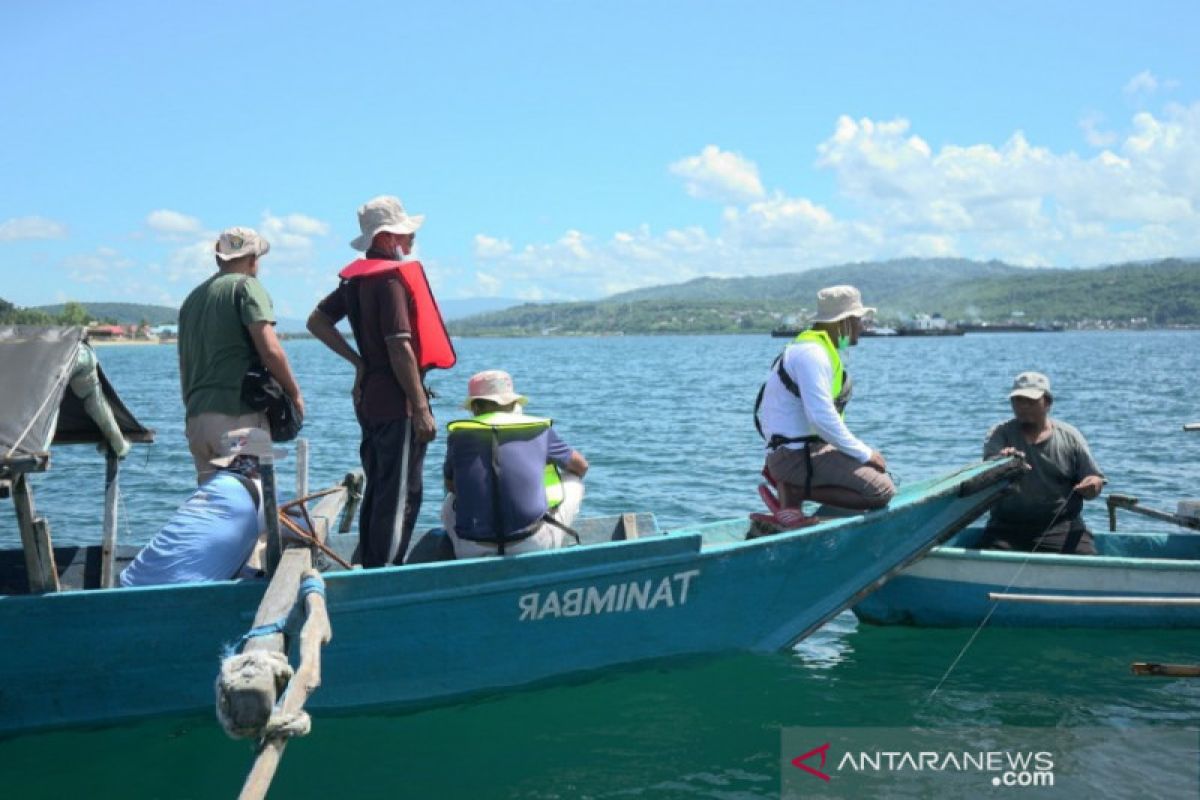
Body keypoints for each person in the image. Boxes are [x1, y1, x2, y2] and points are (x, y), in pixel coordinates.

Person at [306, 196, 455, 567]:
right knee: (403, 491)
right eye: (407, 233)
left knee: (381, 484)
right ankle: (384, 569)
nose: (412, 239)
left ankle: (373, 561)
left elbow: (317, 321)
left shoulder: (356, 281)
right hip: (397, 401)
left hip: (370, 396)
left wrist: (358, 363)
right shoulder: (389, 279)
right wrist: (420, 407)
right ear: (389, 238)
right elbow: (399, 345)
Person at [754, 285, 894, 529]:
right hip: (795, 456)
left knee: (873, 472)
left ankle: (791, 500)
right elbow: (821, 418)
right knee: (881, 490)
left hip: (798, 450)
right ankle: (793, 490)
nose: (862, 326)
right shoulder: (813, 354)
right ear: (844, 321)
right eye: (859, 319)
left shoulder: (815, 347)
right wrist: (865, 453)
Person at [178, 227, 304, 484]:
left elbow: (184, 365)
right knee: (253, 503)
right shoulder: (247, 287)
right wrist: (295, 394)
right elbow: (270, 350)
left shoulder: (192, 300)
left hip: (197, 419)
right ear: (253, 259)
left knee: (214, 513)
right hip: (238, 417)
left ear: (218, 258)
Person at [441, 370, 588, 558]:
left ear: (475, 407)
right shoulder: (539, 430)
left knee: (449, 501)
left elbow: (451, 485)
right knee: (574, 480)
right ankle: (556, 541)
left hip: (472, 547)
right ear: (513, 404)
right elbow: (581, 466)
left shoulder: (458, 436)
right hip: (532, 544)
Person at [978, 372, 1105, 554]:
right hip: (1006, 528)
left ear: (1047, 403)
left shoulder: (1070, 436)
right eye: (1018, 401)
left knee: (1087, 563)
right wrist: (1002, 463)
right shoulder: (1000, 434)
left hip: (1060, 527)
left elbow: (1094, 479)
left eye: (1030, 401)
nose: (1023, 407)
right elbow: (986, 474)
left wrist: (1092, 486)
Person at [120, 454, 265, 586]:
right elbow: (286, 528)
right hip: (179, 596)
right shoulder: (261, 491)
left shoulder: (209, 486)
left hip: (130, 582)